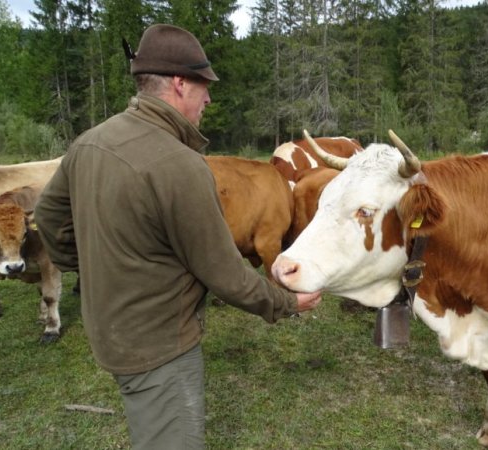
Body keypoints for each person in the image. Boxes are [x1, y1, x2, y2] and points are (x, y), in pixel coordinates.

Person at [34, 23, 321, 450]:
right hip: (160, 345)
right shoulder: (180, 164)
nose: (209, 98)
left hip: (111, 331)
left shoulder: (89, 143)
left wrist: (101, 263)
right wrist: (285, 302)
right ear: (179, 83)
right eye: (204, 86)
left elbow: (50, 217)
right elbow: (223, 272)